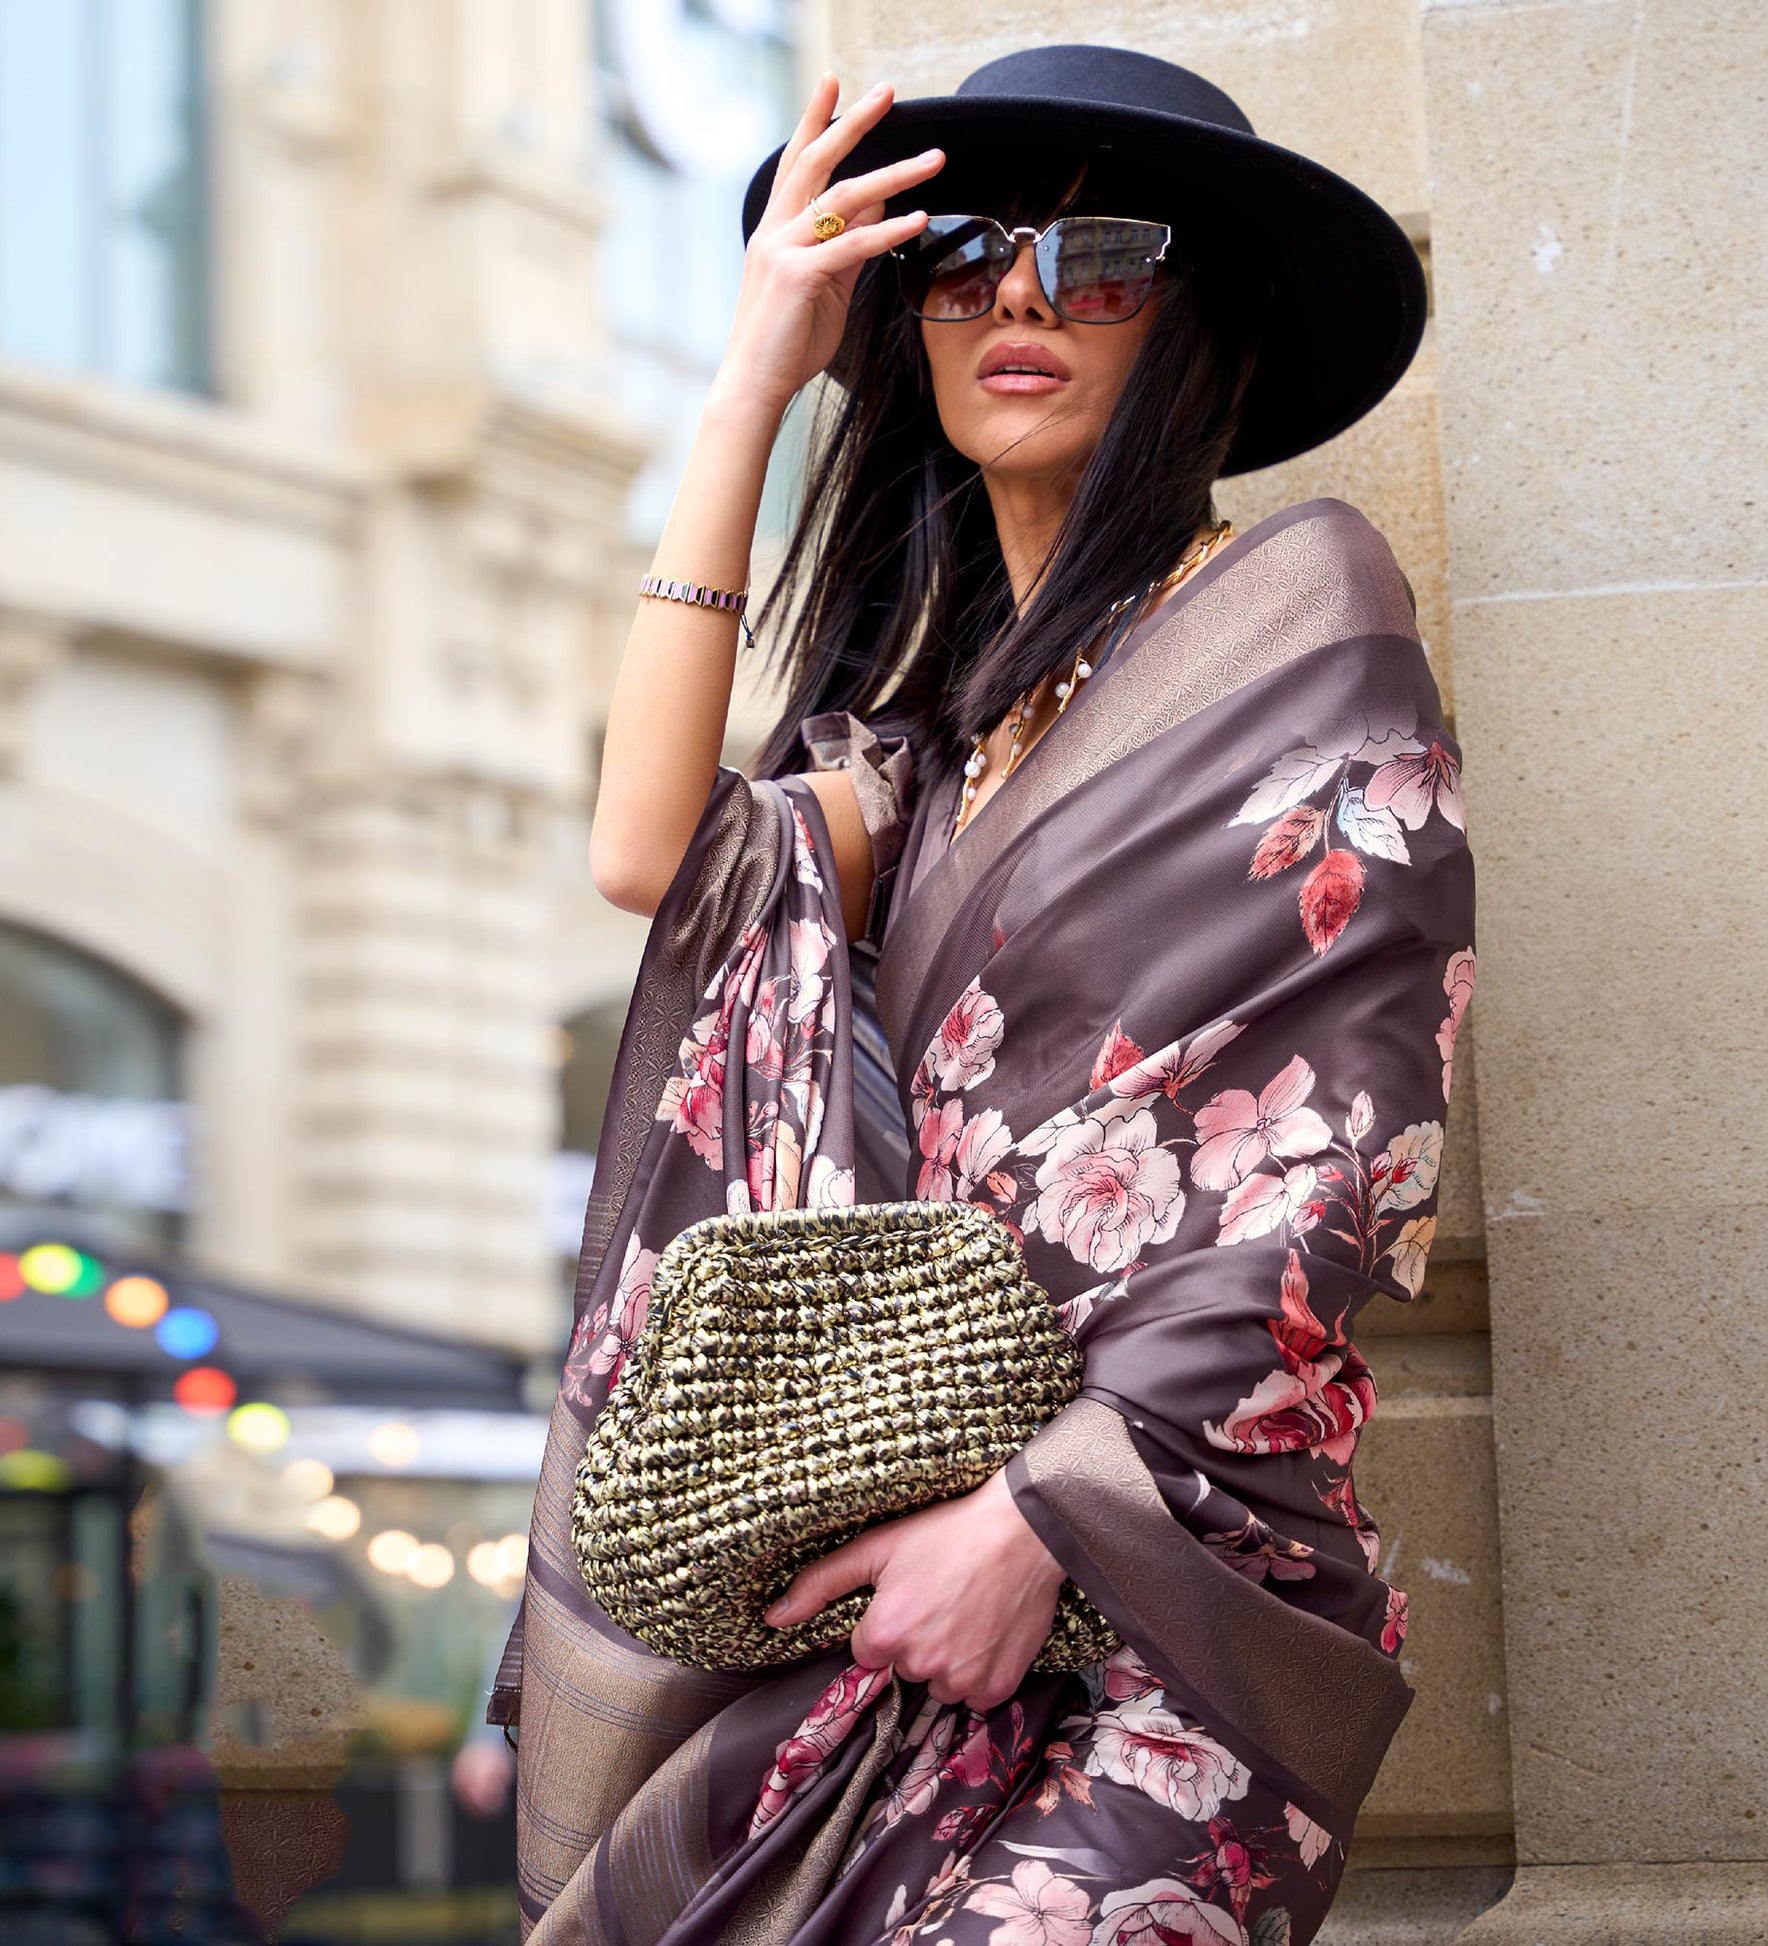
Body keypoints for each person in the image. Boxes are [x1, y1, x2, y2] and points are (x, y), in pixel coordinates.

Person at [492, 45, 1474, 1946]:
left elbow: (1343, 1150)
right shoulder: (932, 749)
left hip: (1167, 1568)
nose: (1018, 294)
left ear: (1202, 326)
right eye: (958, 257)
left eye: (1100, 260)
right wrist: (753, 378)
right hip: (889, 1559)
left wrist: (1032, 1522)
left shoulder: (1295, 609)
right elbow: (650, 853)